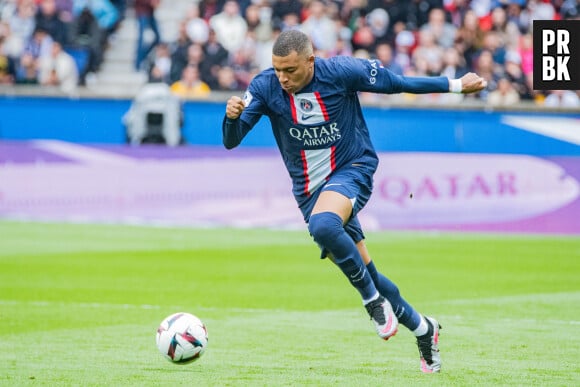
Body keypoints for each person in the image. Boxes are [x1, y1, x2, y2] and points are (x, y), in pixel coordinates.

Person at [222, 29, 486, 373]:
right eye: (277, 70)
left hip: (352, 168)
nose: (282, 78)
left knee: (324, 226)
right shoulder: (264, 86)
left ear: (310, 61)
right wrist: (230, 117)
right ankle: (424, 329)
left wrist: (454, 85)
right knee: (367, 269)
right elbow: (232, 140)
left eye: (290, 70)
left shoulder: (342, 72)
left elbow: (397, 83)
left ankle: (371, 303)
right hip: (309, 192)